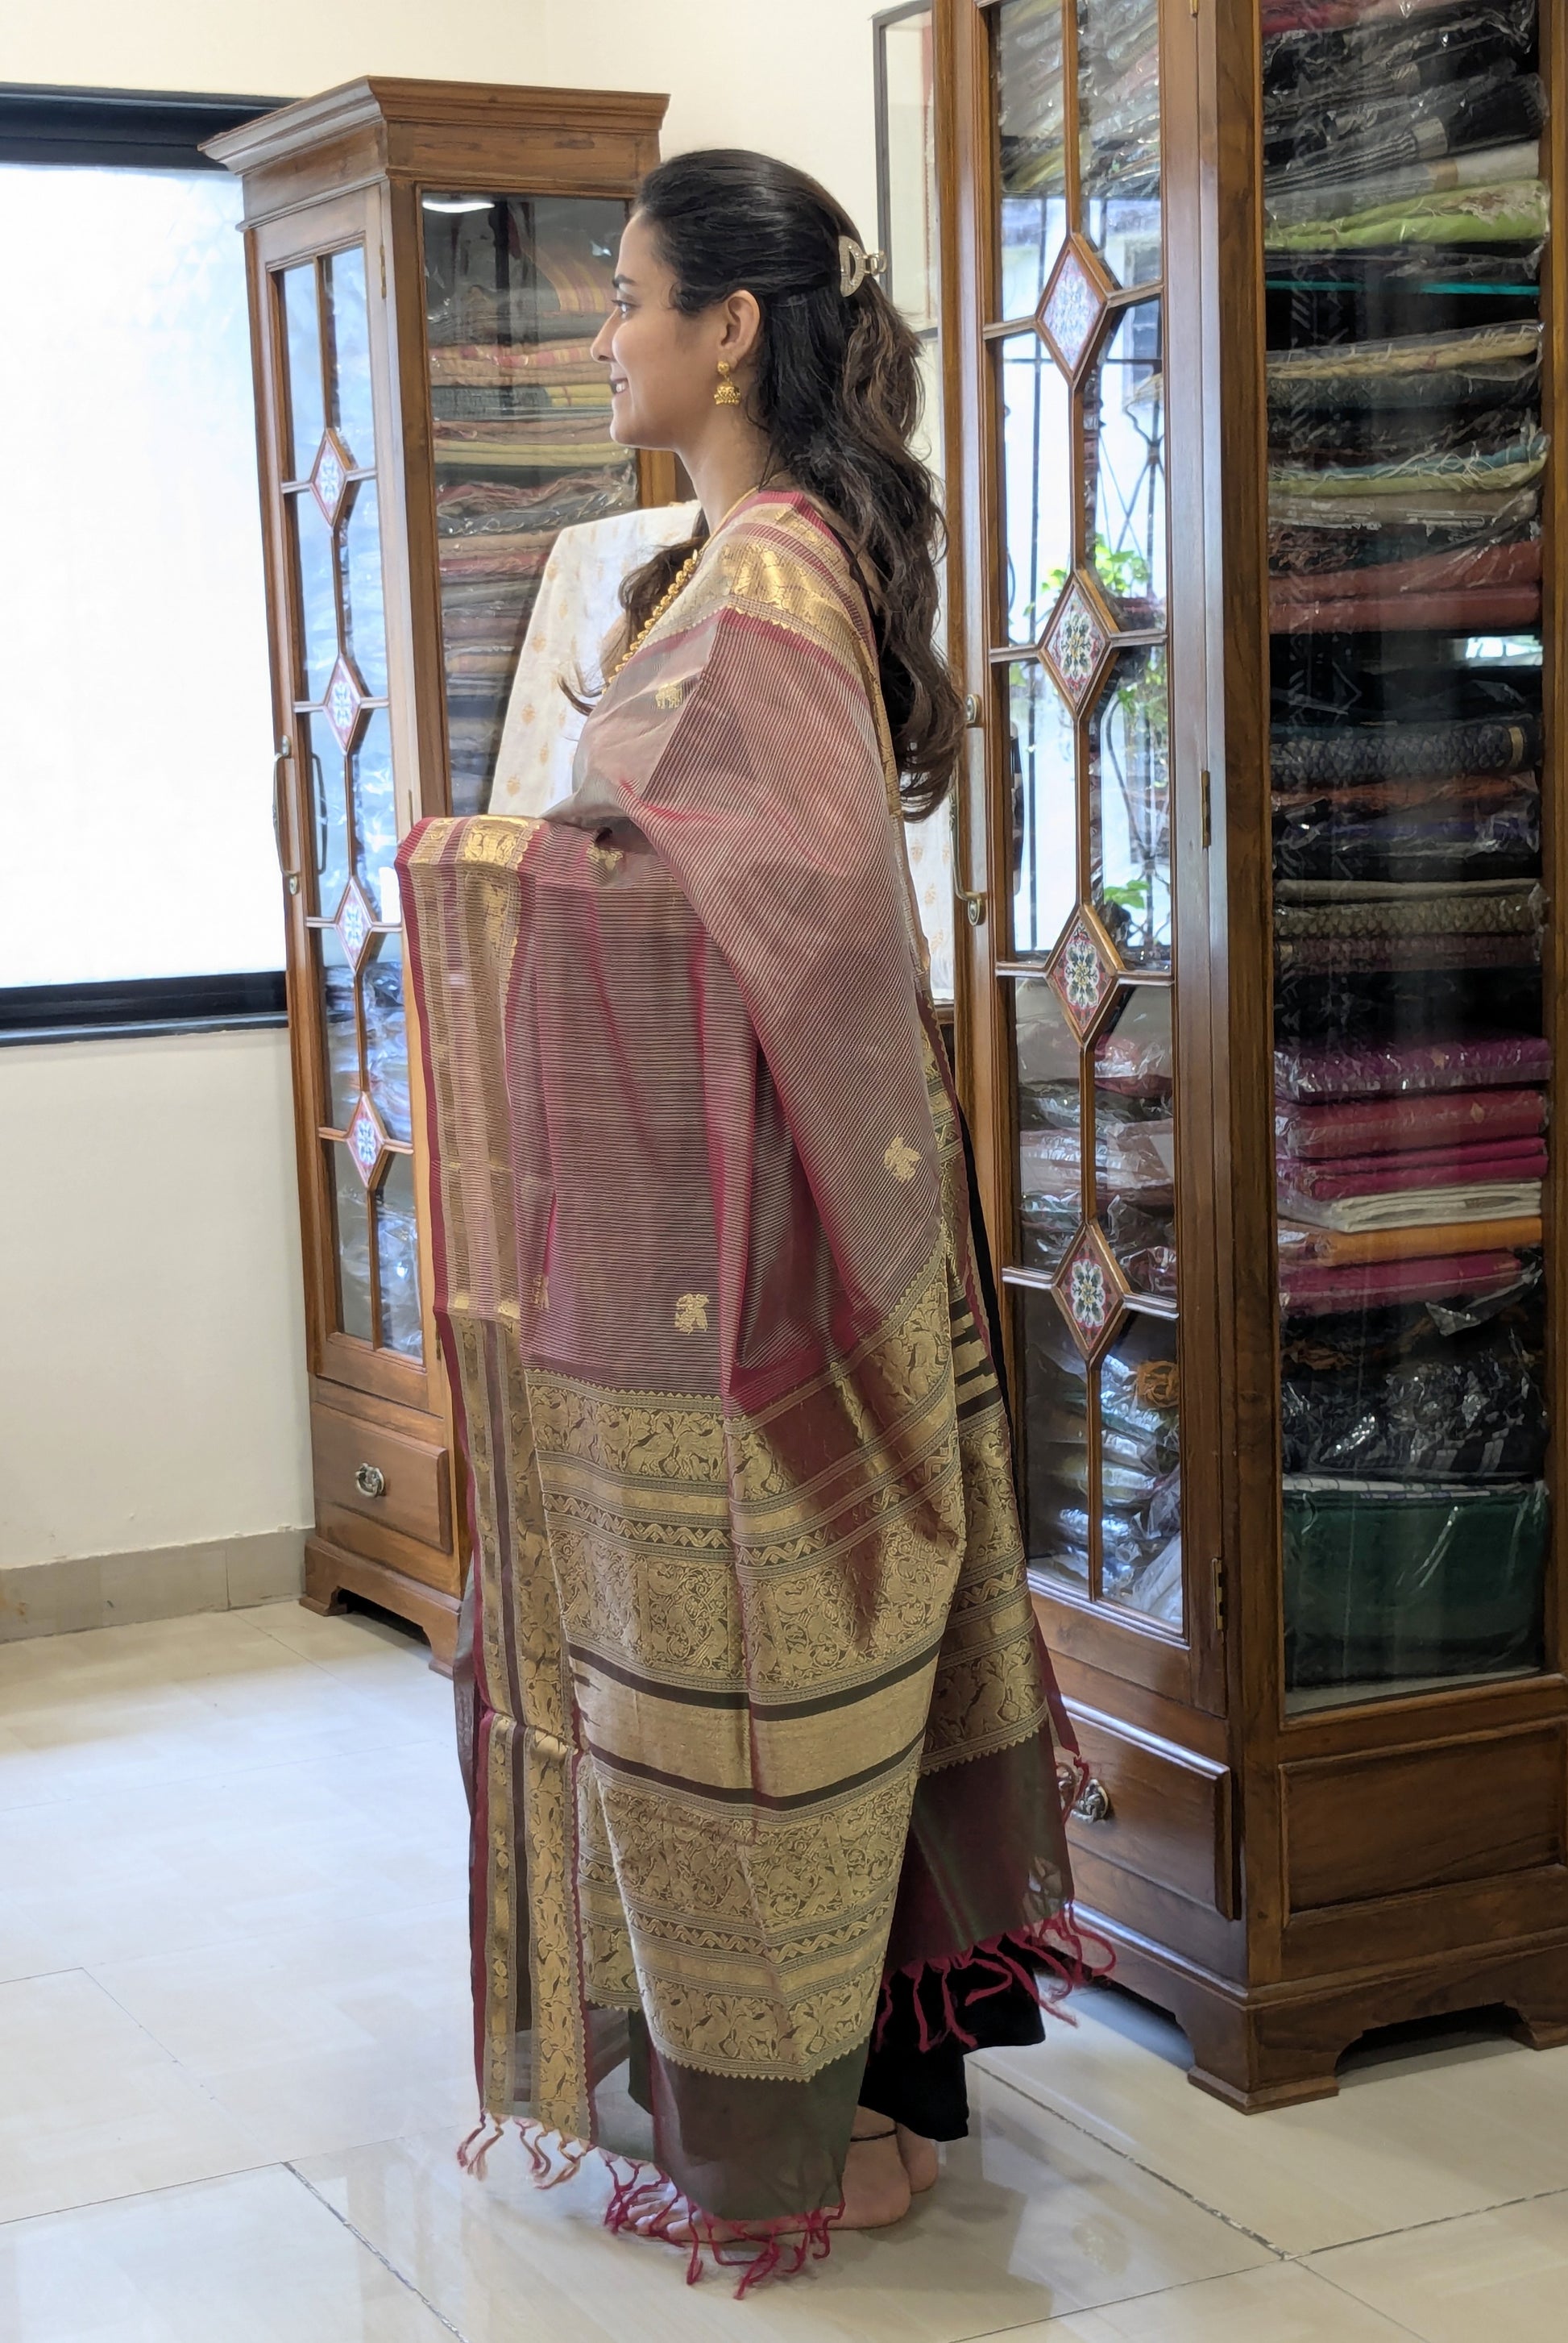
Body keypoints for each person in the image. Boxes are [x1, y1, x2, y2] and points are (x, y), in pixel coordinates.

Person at [398, 148, 1090, 2291]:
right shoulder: (728, 567)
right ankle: (859, 2104)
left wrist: (464, 870)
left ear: (727, 330)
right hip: (754, 1223)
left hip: (767, 1257)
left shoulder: (764, 588)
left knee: (770, 1700)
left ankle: (826, 2122)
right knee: (788, 1684)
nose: (597, 333)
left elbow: (749, 918)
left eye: (623, 297)